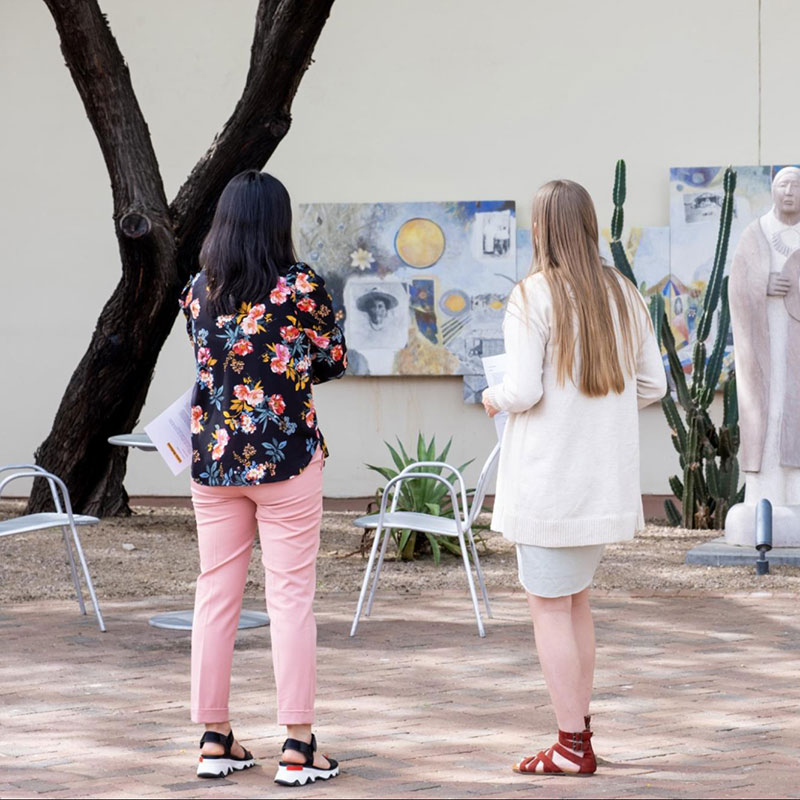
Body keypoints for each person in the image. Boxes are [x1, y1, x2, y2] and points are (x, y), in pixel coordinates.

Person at [482, 179, 666, 776]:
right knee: (576, 601)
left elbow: (524, 390)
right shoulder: (625, 295)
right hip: (601, 480)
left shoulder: (532, 294)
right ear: (589, 225)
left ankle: (570, 745)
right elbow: (653, 386)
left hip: (548, 481)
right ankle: (579, 734)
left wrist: (491, 396)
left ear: (541, 229)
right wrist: (599, 413)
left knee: (550, 608)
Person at [179, 170, 347, 786]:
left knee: (215, 595)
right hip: (288, 460)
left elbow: (207, 359)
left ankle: (213, 738)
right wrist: (291, 363)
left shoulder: (199, 288)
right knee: (290, 596)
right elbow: (333, 358)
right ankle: (299, 746)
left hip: (215, 462)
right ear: (278, 220)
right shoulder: (301, 285)